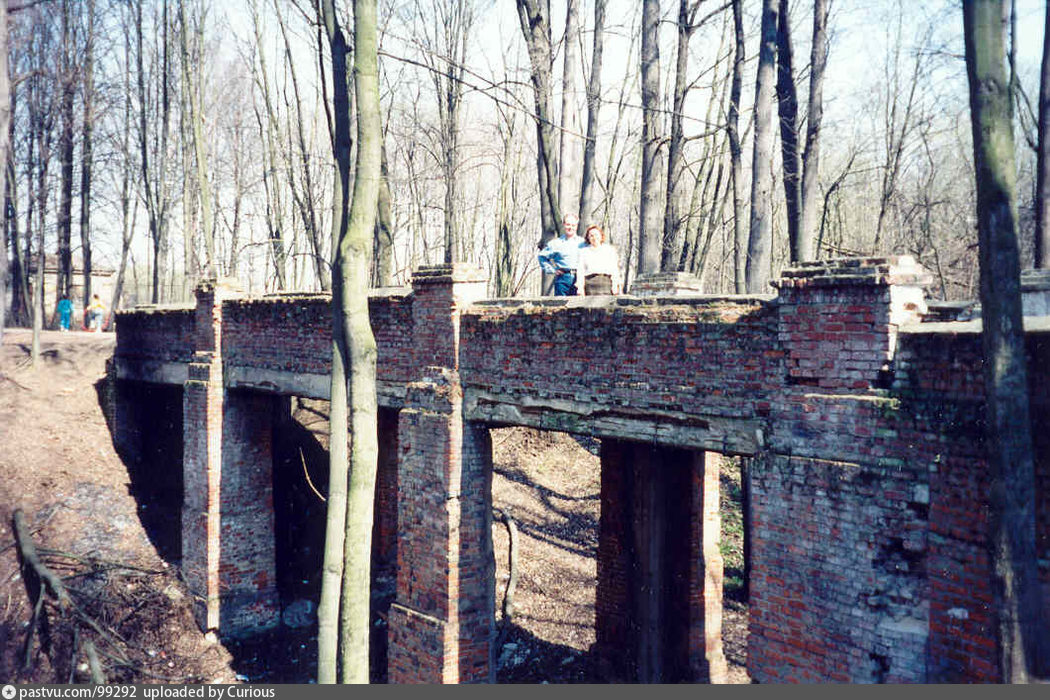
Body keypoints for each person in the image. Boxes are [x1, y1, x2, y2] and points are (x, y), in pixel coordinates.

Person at [537, 213, 585, 296]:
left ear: (577, 226)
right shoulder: (556, 243)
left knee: (578, 307)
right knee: (561, 306)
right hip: (563, 278)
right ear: (564, 225)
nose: (571, 227)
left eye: (573, 225)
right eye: (568, 224)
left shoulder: (583, 243)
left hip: (580, 279)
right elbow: (542, 256)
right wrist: (552, 269)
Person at [577, 224, 622, 296]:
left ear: (601, 236)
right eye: (591, 235)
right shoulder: (583, 252)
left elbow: (614, 269)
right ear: (588, 238)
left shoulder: (609, 250)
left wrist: (615, 286)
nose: (594, 237)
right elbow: (580, 271)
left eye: (596, 235)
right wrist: (580, 288)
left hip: (606, 283)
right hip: (590, 283)